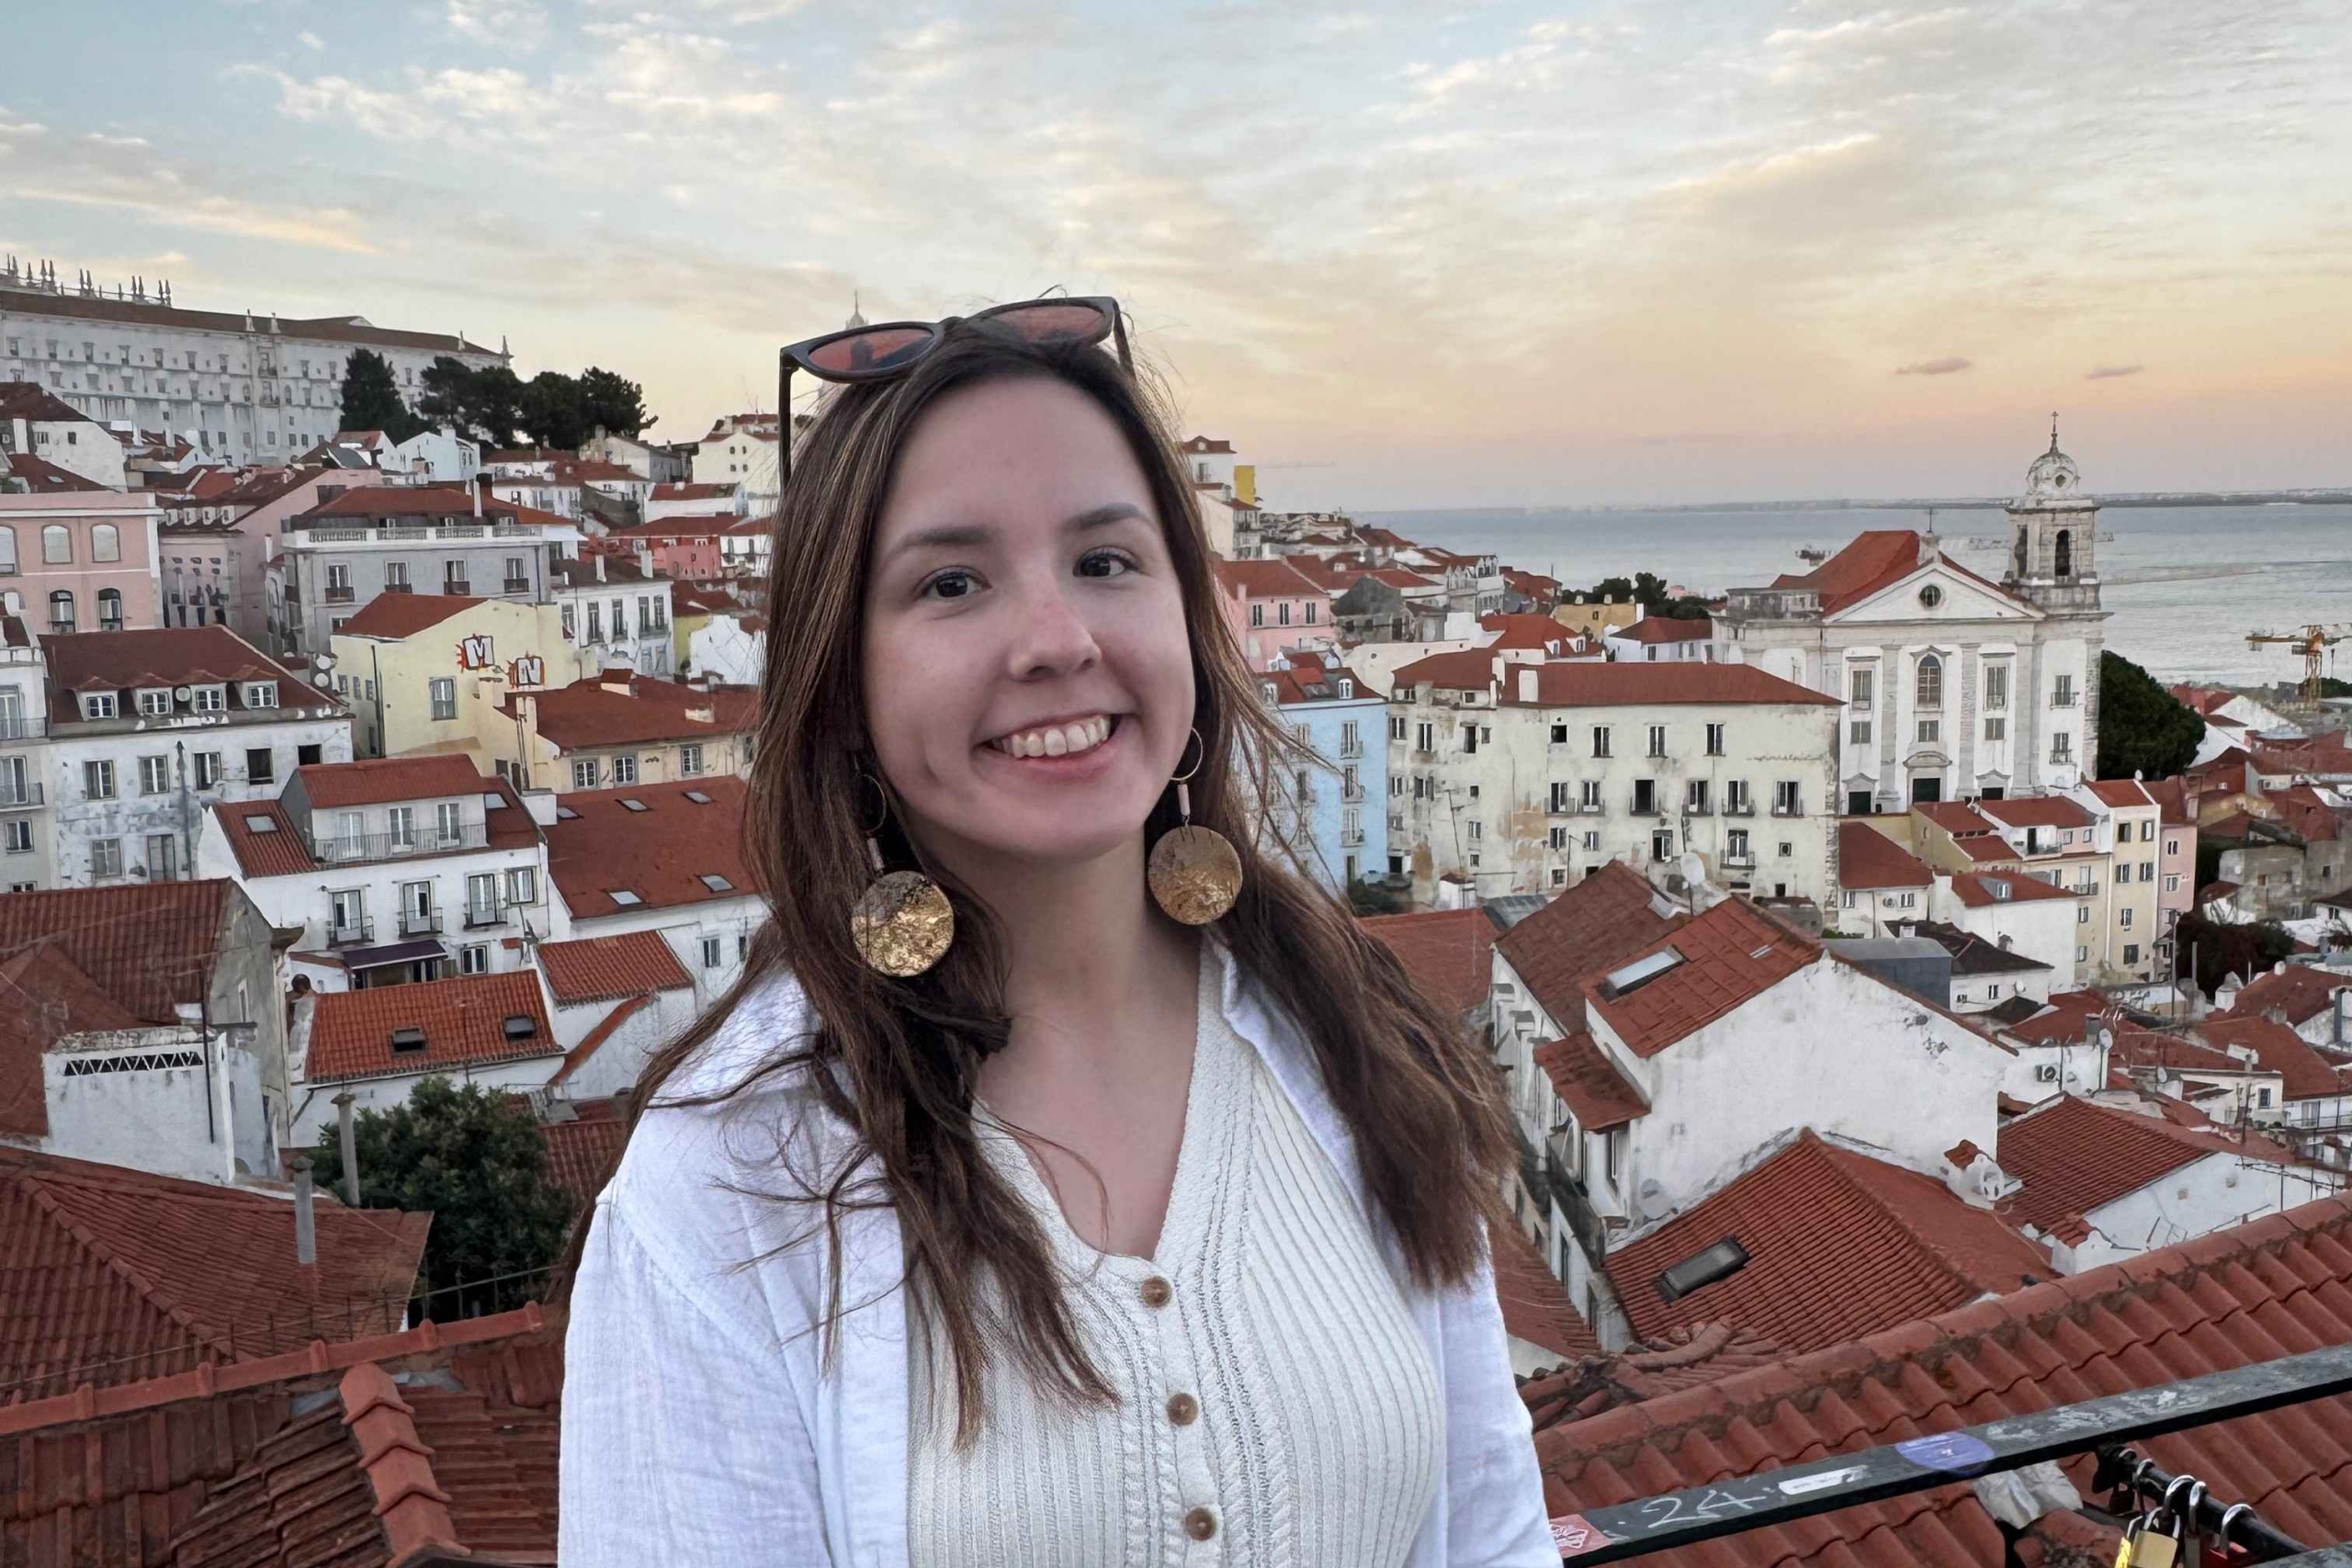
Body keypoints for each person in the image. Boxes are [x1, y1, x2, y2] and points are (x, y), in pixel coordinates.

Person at [556, 296, 1555, 1565]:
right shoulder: (737, 1171)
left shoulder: (1352, 1035)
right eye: (953, 582)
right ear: (842, 686)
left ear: (1189, 623)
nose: (1060, 640)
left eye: (1106, 560)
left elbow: (1494, 1537)